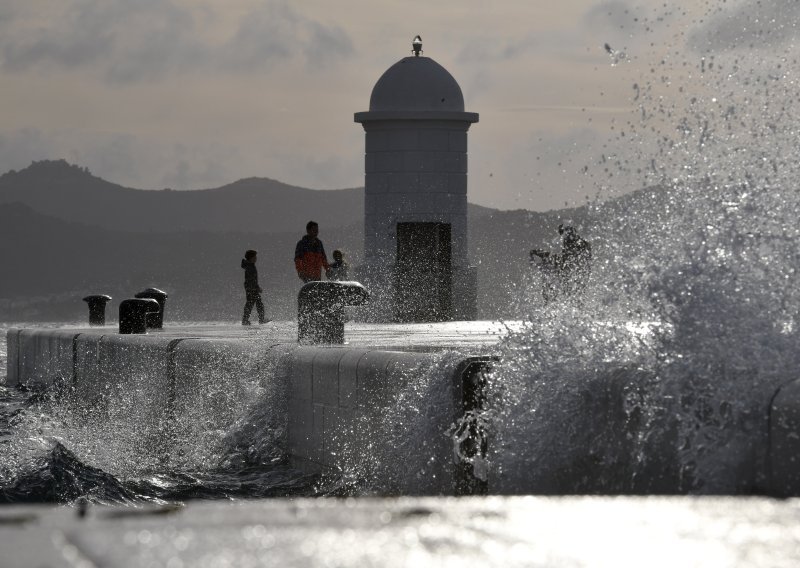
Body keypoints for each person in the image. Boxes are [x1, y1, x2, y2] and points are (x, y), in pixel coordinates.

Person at [530, 224, 592, 302]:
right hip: (577, 275)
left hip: (573, 274)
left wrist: (544, 256)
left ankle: (551, 300)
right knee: (573, 294)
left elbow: (565, 258)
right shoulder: (583, 244)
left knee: (561, 289)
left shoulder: (572, 243)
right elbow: (564, 258)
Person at [241, 249, 268, 325]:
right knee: (254, 304)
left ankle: (247, 320)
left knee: (253, 304)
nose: (256, 258)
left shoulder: (251, 266)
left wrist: (257, 287)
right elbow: (251, 280)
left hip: (251, 288)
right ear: (251, 257)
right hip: (251, 289)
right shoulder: (250, 267)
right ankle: (258, 319)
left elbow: (253, 280)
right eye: (255, 257)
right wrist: (256, 288)